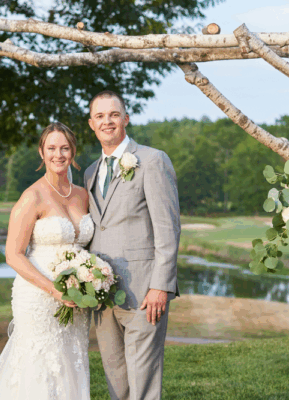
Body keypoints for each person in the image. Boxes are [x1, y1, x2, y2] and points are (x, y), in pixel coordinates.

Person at [0, 122, 94, 399]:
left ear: (73, 151)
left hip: (76, 299)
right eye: (51, 148)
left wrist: (90, 280)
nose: (58, 154)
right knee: (38, 366)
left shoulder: (83, 196)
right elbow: (13, 255)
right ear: (41, 152)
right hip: (39, 296)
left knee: (71, 363)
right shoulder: (32, 197)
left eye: (65, 148)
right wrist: (54, 289)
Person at [84, 90, 181, 400]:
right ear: (91, 124)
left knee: (143, 386)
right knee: (117, 384)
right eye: (100, 116)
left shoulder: (152, 160)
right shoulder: (89, 173)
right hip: (103, 296)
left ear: (126, 118)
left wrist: (161, 286)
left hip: (143, 294)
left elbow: (168, 229)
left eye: (114, 114)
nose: (107, 121)